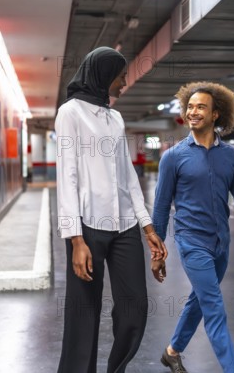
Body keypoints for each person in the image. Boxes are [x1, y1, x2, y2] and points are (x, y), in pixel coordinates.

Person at [55, 47, 168, 373]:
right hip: (86, 229)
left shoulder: (115, 117)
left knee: (135, 308)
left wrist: (147, 228)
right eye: (121, 77)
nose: (123, 84)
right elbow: (68, 178)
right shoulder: (70, 113)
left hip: (125, 227)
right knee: (83, 313)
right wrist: (75, 240)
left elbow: (127, 176)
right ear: (104, 76)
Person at [152, 81, 234, 373]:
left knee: (200, 298)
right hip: (191, 241)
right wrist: (156, 250)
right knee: (214, 307)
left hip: (221, 243)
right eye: (190, 107)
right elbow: (159, 207)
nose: (192, 112)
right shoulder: (173, 157)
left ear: (216, 114)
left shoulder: (231, 156)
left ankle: (172, 352)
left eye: (200, 107)